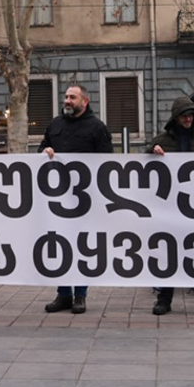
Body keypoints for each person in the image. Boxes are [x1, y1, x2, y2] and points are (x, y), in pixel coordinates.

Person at [39, 84, 112, 315]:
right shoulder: (55, 125)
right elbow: (42, 148)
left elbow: (106, 164)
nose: (67, 101)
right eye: (66, 97)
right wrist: (45, 152)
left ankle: (80, 295)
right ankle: (63, 294)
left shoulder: (97, 128)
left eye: (72, 97)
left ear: (85, 101)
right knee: (60, 245)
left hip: (85, 200)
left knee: (81, 247)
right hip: (57, 198)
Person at [147, 96, 194, 318]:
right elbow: (142, 165)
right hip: (170, 206)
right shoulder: (161, 139)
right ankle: (164, 299)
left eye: (191, 115)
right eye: (184, 115)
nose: (188, 119)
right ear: (175, 118)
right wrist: (153, 151)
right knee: (170, 254)